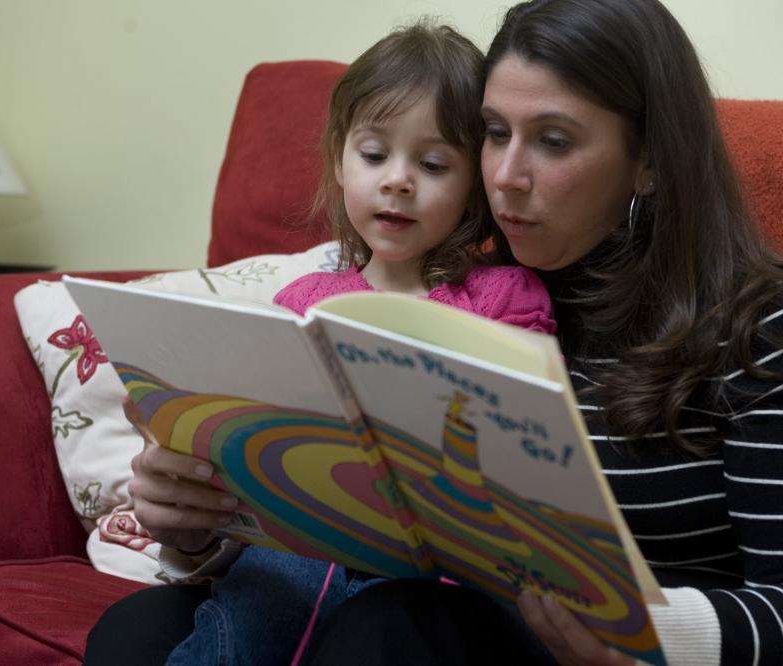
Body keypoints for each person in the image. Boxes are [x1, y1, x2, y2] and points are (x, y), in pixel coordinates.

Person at [296, 0, 783, 664]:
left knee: (388, 628)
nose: (504, 177)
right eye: (492, 131)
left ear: (649, 162)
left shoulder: (763, 332)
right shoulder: (464, 298)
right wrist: (210, 529)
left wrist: (638, 631)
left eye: (552, 141)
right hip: (453, 621)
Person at [85, 20, 554, 666]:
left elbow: (529, 444)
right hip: (299, 547)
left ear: (474, 180)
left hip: (432, 576)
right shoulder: (300, 300)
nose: (397, 180)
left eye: (432, 163)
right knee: (263, 584)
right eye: (373, 154)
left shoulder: (502, 297)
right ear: (339, 160)